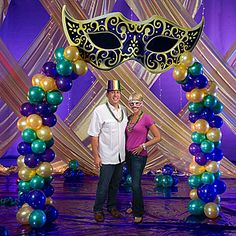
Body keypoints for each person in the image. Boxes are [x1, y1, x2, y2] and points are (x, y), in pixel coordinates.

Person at [88, 80, 128, 222]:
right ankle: (98, 209)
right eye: (112, 92)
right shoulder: (100, 110)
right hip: (106, 156)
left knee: (115, 184)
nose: (115, 95)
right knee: (103, 185)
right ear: (107, 94)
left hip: (120, 156)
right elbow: (94, 135)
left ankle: (112, 207)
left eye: (118, 92)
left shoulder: (123, 110)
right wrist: (96, 157)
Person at [125, 92, 161, 223]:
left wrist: (143, 146)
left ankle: (138, 211)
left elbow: (158, 137)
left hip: (139, 156)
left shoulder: (146, 118)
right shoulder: (129, 118)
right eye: (132, 103)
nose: (134, 106)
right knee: (132, 182)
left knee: (135, 184)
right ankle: (134, 205)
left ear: (142, 104)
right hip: (128, 155)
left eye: (137, 103)